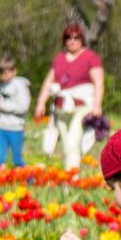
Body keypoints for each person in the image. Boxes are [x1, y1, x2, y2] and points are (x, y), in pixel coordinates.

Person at [36, 24, 106, 171]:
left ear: (82, 39)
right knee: (67, 142)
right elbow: (49, 82)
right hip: (61, 109)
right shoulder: (59, 59)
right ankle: (69, 173)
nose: (72, 41)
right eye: (68, 38)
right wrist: (41, 103)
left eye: (76, 38)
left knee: (74, 141)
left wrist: (97, 105)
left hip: (82, 107)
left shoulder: (90, 57)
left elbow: (99, 82)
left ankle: (71, 177)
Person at [0, 57, 31, 168]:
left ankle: (30, 179)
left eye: (6, 73)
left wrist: (1, 105)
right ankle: (1, 181)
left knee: (17, 159)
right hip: (2, 126)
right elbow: (3, 104)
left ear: (14, 71)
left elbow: (23, 107)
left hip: (15, 128)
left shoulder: (20, 86)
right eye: (1, 74)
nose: (3, 76)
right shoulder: (2, 86)